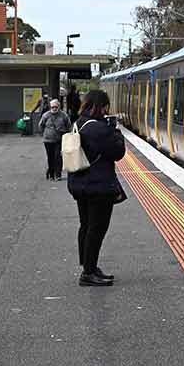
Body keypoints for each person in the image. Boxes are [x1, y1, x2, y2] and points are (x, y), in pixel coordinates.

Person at [66, 89, 125, 287]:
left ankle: (88, 267)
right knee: (97, 229)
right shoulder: (99, 129)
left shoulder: (79, 123)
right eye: (106, 106)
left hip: (80, 184)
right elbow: (118, 152)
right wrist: (116, 131)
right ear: (100, 106)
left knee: (86, 225)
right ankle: (88, 273)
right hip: (97, 186)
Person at [37, 99, 71, 180]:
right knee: (50, 157)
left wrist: (66, 135)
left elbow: (68, 126)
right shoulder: (46, 115)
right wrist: (44, 134)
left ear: (59, 107)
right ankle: (51, 174)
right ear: (50, 107)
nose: (54, 109)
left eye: (56, 107)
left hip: (59, 140)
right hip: (48, 140)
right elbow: (41, 125)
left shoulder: (64, 115)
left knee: (58, 157)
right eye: (52, 107)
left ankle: (58, 175)